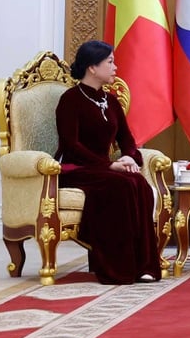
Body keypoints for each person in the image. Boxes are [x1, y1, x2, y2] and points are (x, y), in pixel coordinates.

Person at [55, 40, 161, 284]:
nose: (116, 67)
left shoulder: (111, 101)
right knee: (121, 186)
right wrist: (108, 166)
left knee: (138, 183)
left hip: (103, 169)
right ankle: (118, 268)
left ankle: (144, 265)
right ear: (92, 67)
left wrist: (128, 157)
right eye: (110, 62)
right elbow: (72, 145)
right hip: (76, 168)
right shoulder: (70, 100)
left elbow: (128, 140)